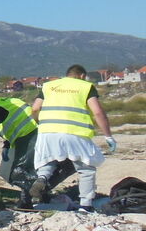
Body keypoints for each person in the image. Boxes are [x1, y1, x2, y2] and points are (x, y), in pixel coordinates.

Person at [30, 65, 116, 212]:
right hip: (75, 133)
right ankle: (85, 205)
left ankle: (42, 178)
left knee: (49, 160)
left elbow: (35, 108)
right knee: (86, 169)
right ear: (82, 76)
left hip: (47, 132)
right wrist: (108, 136)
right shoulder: (85, 86)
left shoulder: (49, 86)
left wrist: (42, 124)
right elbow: (98, 112)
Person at [0, 95, 40, 207]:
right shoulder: (5, 100)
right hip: (38, 129)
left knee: (20, 172)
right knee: (31, 168)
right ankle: (35, 196)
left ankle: (28, 200)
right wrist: (7, 143)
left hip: (26, 134)